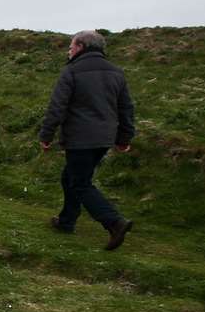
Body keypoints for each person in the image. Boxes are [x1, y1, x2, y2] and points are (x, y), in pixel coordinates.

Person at [38, 29, 136, 250]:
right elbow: (126, 108)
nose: (69, 51)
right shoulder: (116, 72)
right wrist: (124, 137)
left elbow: (57, 107)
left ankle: (114, 222)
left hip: (80, 137)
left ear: (81, 47)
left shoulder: (71, 71)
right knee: (70, 177)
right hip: (105, 138)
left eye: (71, 47)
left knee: (79, 183)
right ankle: (66, 221)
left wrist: (46, 135)